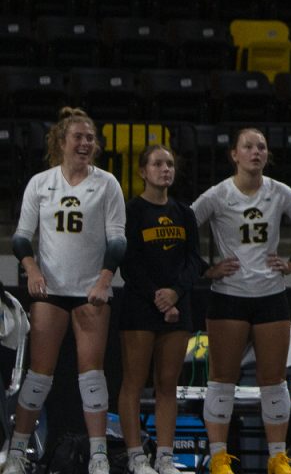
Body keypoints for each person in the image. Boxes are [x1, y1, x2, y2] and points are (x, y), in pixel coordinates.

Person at [190, 128, 291, 474]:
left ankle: (277, 457)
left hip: (270, 296)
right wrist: (207, 270)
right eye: (248, 147)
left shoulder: (278, 192)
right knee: (222, 379)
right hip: (228, 298)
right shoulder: (219, 195)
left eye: (262, 147)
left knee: (274, 379)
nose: (256, 152)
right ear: (234, 154)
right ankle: (220, 457)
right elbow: (182, 228)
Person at [5, 108, 127, 474]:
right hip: (51, 290)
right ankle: (17, 453)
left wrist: (105, 280)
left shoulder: (107, 183)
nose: (86, 143)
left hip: (91, 289)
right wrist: (31, 269)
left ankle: (99, 456)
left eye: (91, 138)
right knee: (39, 375)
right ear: (61, 142)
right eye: (79, 137)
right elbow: (22, 237)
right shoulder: (41, 183)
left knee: (92, 375)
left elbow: (118, 239)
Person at [117, 145, 202, 474]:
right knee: (133, 383)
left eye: (169, 163)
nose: (165, 169)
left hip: (178, 308)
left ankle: (164, 457)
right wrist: (158, 296)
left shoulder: (185, 212)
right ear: (142, 172)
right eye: (157, 163)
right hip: (141, 306)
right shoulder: (132, 211)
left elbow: (193, 259)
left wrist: (176, 293)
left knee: (168, 385)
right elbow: (130, 262)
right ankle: (136, 455)